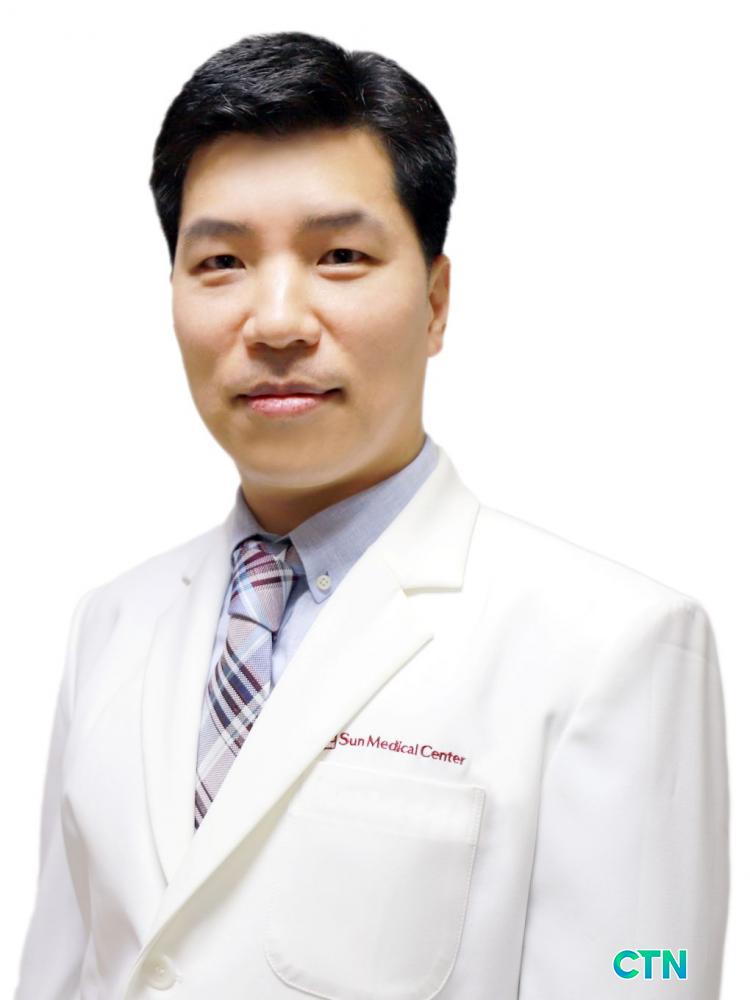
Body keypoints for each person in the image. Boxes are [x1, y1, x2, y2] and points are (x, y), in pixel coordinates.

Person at [15, 29, 729, 1000]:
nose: (275, 321)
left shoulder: (615, 647)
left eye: (340, 255)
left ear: (436, 302)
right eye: (220, 260)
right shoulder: (111, 623)